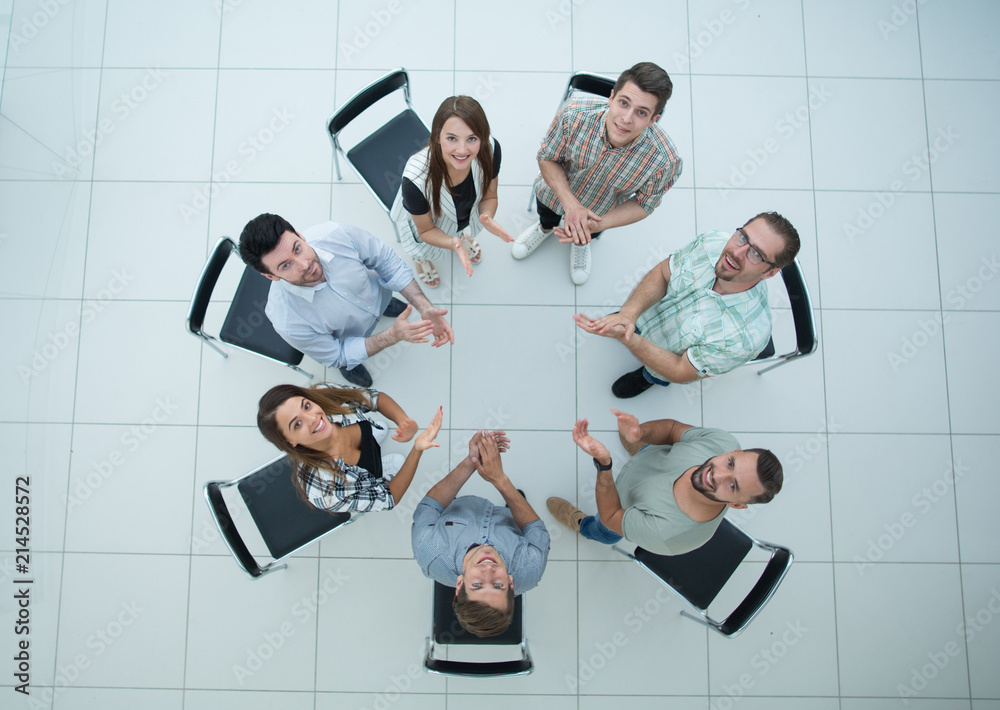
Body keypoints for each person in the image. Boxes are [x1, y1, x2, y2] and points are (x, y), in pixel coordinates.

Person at [574, 211, 801, 398]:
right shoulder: (713, 243)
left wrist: (629, 338)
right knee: (630, 317)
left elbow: (679, 369)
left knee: (656, 374)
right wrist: (629, 314)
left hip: (668, 359)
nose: (736, 252)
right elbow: (664, 273)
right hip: (647, 315)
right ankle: (635, 321)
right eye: (743, 237)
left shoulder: (744, 340)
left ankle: (645, 378)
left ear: (770, 272)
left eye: (756, 254)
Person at [511, 61, 683, 285]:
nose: (626, 118)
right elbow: (547, 158)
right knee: (548, 215)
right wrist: (571, 206)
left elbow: (645, 204)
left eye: (641, 112)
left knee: (588, 235)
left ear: (653, 120)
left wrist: (598, 225)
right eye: (623, 103)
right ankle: (544, 229)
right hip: (554, 193)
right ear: (611, 97)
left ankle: (582, 243)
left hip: (601, 213)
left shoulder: (665, 161)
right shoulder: (573, 114)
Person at [238, 213, 454, 388]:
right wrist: (392, 336)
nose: (304, 264)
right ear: (271, 276)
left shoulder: (335, 234)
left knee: (384, 301)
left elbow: (387, 262)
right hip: (347, 339)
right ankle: (353, 368)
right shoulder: (287, 320)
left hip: (376, 295)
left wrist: (424, 306)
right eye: (286, 265)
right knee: (348, 360)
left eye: (297, 249)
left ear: (300, 235)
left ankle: (384, 305)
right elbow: (337, 353)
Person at [547, 409, 782, 555]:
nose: (716, 475)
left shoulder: (667, 533)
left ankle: (580, 524)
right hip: (650, 458)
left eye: (732, 486)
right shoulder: (723, 442)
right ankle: (637, 446)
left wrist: (604, 464)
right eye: (730, 463)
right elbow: (671, 431)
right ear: (734, 451)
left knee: (603, 529)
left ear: (737, 505)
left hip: (620, 510)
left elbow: (611, 515)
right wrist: (641, 434)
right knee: (654, 448)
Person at [412, 431, 550, 637]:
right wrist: (500, 480)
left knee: (445, 505)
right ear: (512, 584)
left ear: (459, 585)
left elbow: (430, 507)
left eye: (477, 584)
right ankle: (511, 498)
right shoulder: (531, 568)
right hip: (508, 519)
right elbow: (535, 529)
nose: (488, 570)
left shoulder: (429, 547)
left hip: (461, 508)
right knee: (518, 506)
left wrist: (471, 461)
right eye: (498, 584)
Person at [257, 382, 442, 513]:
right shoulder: (325, 491)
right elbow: (389, 498)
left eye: (306, 406)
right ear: (290, 442)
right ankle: (382, 470)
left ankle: (373, 437)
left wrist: (403, 420)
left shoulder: (323, 395)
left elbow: (373, 399)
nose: (313, 418)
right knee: (379, 471)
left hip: (364, 438)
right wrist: (416, 449)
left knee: (372, 434)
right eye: (297, 424)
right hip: (365, 475)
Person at [390, 96, 512, 288]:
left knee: (462, 228)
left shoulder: (490, 149)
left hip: (464, 214)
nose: (462, 150)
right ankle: (421, 259)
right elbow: (426, 229)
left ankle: (462, 235)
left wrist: (486, 216)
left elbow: (489, 195)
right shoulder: (415, 180)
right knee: (423, 249)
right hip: (426, 223)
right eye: (452, 138)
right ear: (437, 137)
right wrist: (451, 243)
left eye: (472, 138)